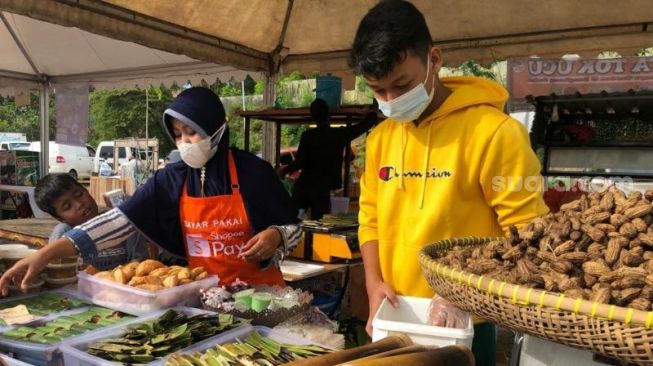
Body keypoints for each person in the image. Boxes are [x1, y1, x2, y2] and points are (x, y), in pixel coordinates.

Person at [349, 1, 549, 365]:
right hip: (397, 314)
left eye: (402, 84)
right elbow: (370, 217)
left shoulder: (496, 134)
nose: (392, 101)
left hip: (468, 322)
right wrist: (375, 283)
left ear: (434, 59)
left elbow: (528, 235)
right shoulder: (380, 139)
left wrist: (466, 293)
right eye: (378, 91)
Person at [1, 87, 301, 293]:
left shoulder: (254, 172)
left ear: (215, 127)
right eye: (177, 135)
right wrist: (45, 254)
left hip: (261, 295)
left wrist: (277, 234)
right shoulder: (172, 179)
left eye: (191, 132)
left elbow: (296, 229)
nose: (184, 142)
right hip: (206, 296)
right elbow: (117, 222)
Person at [282, 98, 376, 220]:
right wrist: (373, 113)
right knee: (319, 224)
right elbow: (362, 126)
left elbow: (300, 162)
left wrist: (284, 170)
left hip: (304, 187)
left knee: (292, 222)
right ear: (328, 115)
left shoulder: (308, 136)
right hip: (322, 189)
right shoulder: (339, 135)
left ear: (313, 117)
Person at [34, 173, 149, 270]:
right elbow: (60, 273)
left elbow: (139, 265)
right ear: (60, 218)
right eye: (67, 206)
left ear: (87, 190)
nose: (79, 204)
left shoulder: (121, 222)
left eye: (79, 194)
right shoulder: (64, 234)